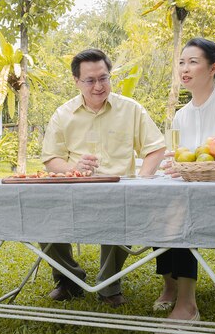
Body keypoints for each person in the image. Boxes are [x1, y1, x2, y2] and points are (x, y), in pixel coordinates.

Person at [41, 48, 166, 307]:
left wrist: (141, 181)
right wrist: (72, 167)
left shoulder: (131, 109)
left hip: (119, 193)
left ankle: (109, 285)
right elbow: (51, 158)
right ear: (76, 82)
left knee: (120, 211)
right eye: (90, 80)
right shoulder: (62, 114)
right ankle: (69, 279)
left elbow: (155, 147)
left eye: (104, 78)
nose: (98, 86)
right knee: (42, 216)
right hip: (74, 192)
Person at [157, 38, 215, 320]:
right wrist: (173, 166)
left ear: (213, 68)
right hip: (188, 193)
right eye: (182, 62)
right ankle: (170, 284)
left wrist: (190, 166)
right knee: (156, 203)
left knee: (181, 210)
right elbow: (178, 159)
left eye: (193, 62)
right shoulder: (181, 116)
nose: (185, 69)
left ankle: (188, 303)